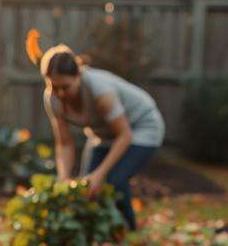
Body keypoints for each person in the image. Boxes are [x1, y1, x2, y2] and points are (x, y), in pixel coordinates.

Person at [39, 45, 165, 230]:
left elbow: (124, 135)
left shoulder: (100, 91)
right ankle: (98, 233)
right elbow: (64, 144)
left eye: (65, 87)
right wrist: (63, 178)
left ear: (78, 76)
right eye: (54, 86)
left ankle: (129, 231)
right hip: (103, 134)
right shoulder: (53, 99)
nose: (60, 94)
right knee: (85, 188)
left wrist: (99, 174)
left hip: (142, 127)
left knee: (115, 182)